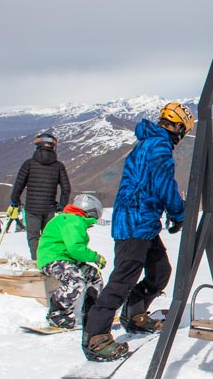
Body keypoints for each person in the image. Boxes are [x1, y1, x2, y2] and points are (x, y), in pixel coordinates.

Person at [81, 102, 194, 361]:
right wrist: (179, 213)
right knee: (123, 279)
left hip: (140, 221)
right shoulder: (160, 148)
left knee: (160, 271)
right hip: (135, 222)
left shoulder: (147, 142)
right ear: (178, 127)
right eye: (182, 130)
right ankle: (95, 335)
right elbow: (165, 186)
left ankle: (135, 313)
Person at [36, 194, 108, 330]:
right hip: (53, 259)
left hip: (65, 259)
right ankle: (57, 314)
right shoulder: (73, 221)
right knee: (76, 280)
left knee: (93, 276)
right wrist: (95, 257)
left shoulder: (72, 219)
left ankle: (92, 308)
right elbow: (76, 248)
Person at [8, 132, 71, 260]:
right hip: (49, 208)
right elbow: (66, 188)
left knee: (33, 237)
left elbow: (19, 184)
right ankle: (49, 262)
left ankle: (37, 262)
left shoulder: (29, 164)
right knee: (48, 237)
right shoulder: (58, 166)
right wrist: (62, 205)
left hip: (31, 208)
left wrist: (15, 201)